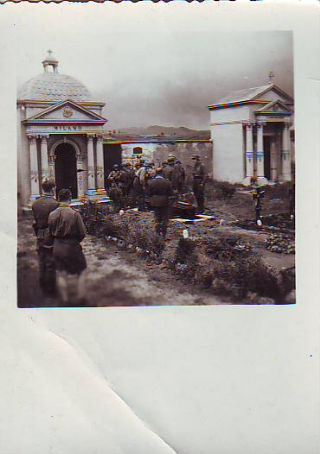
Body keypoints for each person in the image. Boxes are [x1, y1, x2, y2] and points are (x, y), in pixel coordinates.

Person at [48, 189, 87, 304]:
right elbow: (82, 233)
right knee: (81, 271)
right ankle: (81, 298)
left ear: (58, 198)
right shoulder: (74, 214)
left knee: (60, 273)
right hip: (72, 245)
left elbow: (50, 232)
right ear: (70, 198)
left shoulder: (52, 214)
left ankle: (65, 301)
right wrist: (75, 241)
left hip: (57, 245)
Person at [32, 178, 59, 295]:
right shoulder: (55, 204)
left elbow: (35, 222)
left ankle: (43, 285)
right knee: (50, 263)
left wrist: (38, 232)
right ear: (53, 188)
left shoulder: (35, 203)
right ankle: (50, 289)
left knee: (41, 260)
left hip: (40, 233)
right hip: (51, 235)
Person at [147, 168, 173, 238]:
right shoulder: (167, 182)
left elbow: (149, 193)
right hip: (165, 202)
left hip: (155, 202)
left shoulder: (152, 182)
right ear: (162, 173)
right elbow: (171, 193)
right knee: (165, 218)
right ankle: (164, 233)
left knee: (157, 217)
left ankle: (158, 233)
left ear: (156, 173)